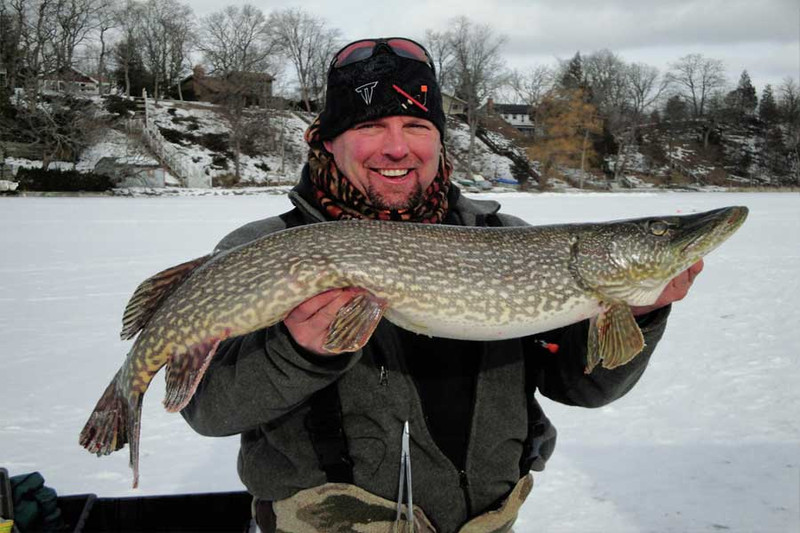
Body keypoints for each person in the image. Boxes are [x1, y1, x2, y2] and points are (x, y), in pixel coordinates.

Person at [181, 37, 702, 533]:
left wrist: (637, 312)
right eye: (370, 126)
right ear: (327, 139)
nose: (396, 147)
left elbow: (583, 385)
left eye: (415, 125)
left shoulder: (508, 243)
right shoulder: (267, 247)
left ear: (437, 139)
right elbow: (207, 408)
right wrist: (296, 352)